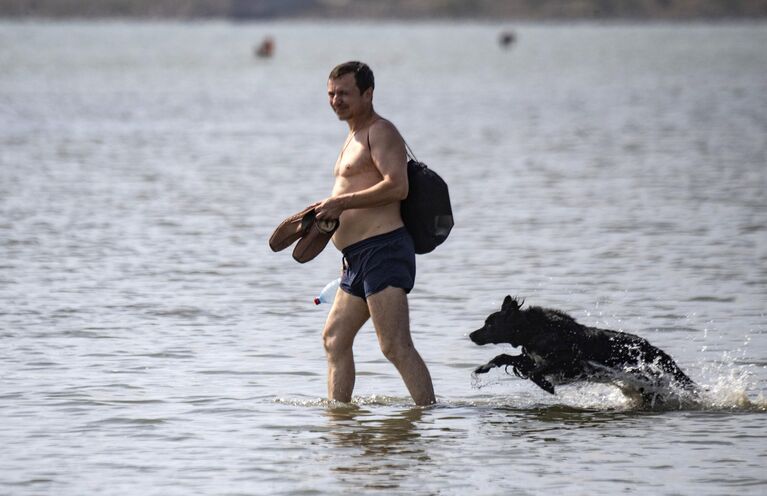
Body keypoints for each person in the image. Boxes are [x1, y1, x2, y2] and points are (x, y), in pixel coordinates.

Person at [313, 61, 436, 406]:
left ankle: (427, 417)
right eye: (331, 93)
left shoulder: (380, 132)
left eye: (345, 93)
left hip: (385, 251)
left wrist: (341, 203)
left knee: (394, 345)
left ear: (368, 94)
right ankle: (340, 420)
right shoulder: (352, 134)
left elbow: (397, 187)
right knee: (335, 338)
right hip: (357, 258)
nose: (336, 100)